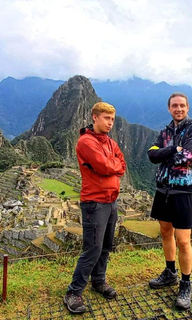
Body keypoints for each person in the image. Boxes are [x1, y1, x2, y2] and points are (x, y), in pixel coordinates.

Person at [64, 102, 126, 314]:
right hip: (95, 202)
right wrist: (112, 166)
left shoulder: (109, 142)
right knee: (93, 248)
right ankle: (74, 292)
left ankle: (99, 281)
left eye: (112, 119)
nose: (110, 123)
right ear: (95, 118)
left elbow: (121, 165)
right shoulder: (86, 142)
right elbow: (106, 166)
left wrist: (112, 166)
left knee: (106, 246)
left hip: (111, 201)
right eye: (106, 118)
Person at [147, 92, 192, 310]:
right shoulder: (165, 132)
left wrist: (166, 154)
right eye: (174, 105)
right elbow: (152, 155)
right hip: (163, 190)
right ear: (169, 108)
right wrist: (173, 148)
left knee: (183, 239)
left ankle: (186, 283)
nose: (178, 109)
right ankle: (170, 272)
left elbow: (187, 158)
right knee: (165, 231)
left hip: (184, 191)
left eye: (182, 105)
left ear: (188, 107)